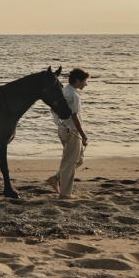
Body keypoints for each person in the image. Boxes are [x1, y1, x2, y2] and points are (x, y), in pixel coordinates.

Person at [48, 67, 90, 199]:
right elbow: (75, 117)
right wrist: (83, 135)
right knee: (70, 162)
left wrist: (60, 123)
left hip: (62, 130)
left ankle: (56, 178)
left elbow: (52, 109)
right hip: (73, 131)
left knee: (77, 160)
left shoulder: (62, 91)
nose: (86, 84)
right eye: (84, 81)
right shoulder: (74, 95)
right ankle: (65, 194)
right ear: (77, 81)